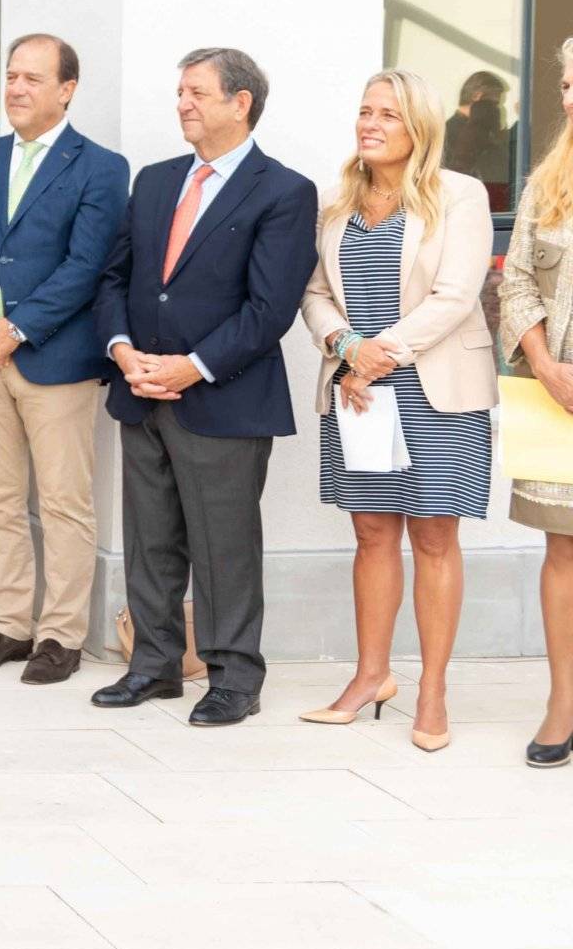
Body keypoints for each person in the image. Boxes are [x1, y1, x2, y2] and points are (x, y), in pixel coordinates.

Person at [93, 47, 318, 727]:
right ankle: (154, 665)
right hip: (142, 391)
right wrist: (123, 349)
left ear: (240, 101)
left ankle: (233, 677)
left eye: (196, 91)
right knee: (150, 537)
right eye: (180, 91)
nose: (182, 103)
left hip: (223, 397)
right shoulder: (156, 181)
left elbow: (268, 309)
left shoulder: (284, 191)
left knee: (224, 546)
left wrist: (192, 365)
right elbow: (116, 279)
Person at [299, 71, 495, 752]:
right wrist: (346, 347)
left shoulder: (459, 195)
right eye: (364, 111)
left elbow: (456, 293)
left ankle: (433, 690)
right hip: (358, 385)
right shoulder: (335, 201)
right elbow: (315, 292)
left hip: (433, 385)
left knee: (435, 538)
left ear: (421, 128)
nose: (369, 123)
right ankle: (369, 677)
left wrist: (380, 352)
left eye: (387, 113)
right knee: (372, 535)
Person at [0, 34, 129, 685]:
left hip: (56, 358)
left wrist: (15, 328)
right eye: (10, 75)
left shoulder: (100, 167)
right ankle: (9, 622)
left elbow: (87, 265)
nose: (15, 88)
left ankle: (60, 634)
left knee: (65, 500)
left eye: (32, 78)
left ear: (67, 88)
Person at [498, 37, 573, 769]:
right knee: (564, 549)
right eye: (568, 84)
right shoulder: (546, 183)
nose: (570, 96)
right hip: (560, 401)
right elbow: (516, 281)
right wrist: (546, 364)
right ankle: (563, 700)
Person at [446, 69, 514, 210]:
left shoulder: (486, 133)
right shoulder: (451, 133)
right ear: (477, 97)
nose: (497, 110)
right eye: (493, 105)